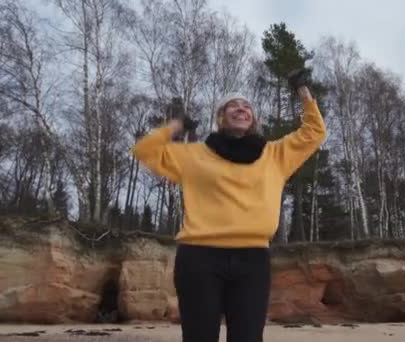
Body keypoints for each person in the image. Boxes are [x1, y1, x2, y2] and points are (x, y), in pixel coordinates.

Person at [131, 69, 327, 342]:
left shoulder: (275, 155)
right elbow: (144, 150)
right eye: (233, 105)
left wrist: (303, 90)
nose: (241, 108)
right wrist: (177, 125)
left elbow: (314, 132)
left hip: (253, 259)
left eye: (247, 106)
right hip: (200, 258)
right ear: (220, 118)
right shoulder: (195, 155)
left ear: (253, 119)